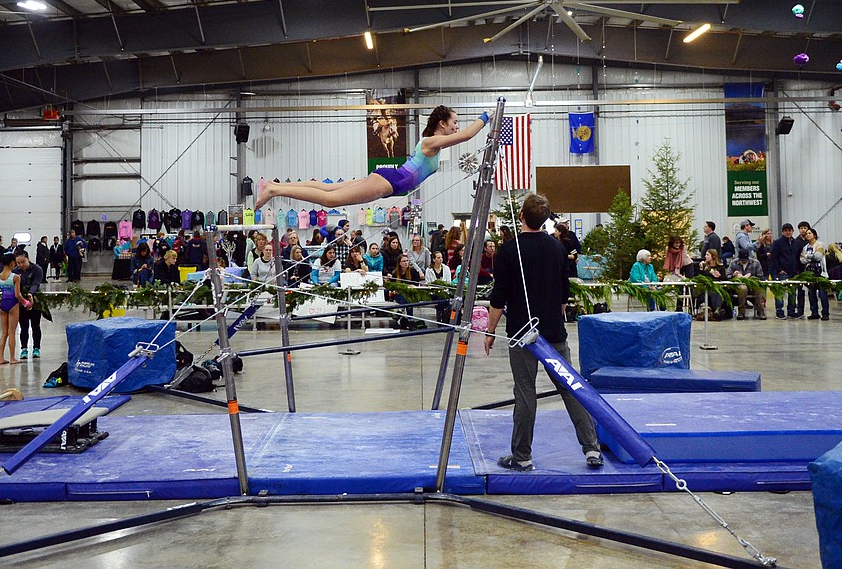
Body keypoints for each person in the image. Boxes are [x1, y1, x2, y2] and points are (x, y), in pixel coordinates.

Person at [484, 193, 602, 471]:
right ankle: (592, 449)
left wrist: (489, 331)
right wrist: (553, 318)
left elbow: (498, 298)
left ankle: (522, 456)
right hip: (553, 332)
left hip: (522, 333)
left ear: (521, 216)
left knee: (526, 393)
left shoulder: (509, 250)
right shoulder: (558, 248)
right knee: (570, 389)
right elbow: (564, 294)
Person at [256, 106, 491, 208]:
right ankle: (275, 190)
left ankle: (275, 185)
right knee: (330, 200)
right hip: (391, 181)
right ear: (442, 124)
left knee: (328, 189)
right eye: (455, 123)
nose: (457, 127)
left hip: (390, 180)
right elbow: (468, 136)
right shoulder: (431, 141)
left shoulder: (431, 143)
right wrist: (487, 116)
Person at [0, 253, 21, 364]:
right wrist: (25, 302)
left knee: (4, 333)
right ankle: (12, 358)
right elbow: (17, 295)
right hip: (13, 304)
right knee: (12, 332)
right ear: (12, 263)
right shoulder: (15, 277)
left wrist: (1, 301)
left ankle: (1, 358)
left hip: (3, 305)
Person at [14, 251, 45, 359]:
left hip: (35, 301)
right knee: (23, 327)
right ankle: (24, 349)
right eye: (18, 263)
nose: (21, 265)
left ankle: (36, 348)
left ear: (28, 258)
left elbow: (36, 284)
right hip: (21, 303)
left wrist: (30, 294)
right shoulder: (15, 272)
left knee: (35, 326)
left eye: (23, 262)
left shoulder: (37, 269)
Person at [770, 223, 802, 319]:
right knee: (780, 293)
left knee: (793, 293)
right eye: (786, 231)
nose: (788, 232)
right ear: (783, 232)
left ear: (792, 231)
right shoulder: (777, 243)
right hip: (782, 272)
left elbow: (798, 257)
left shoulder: (796, 243)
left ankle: (791, 311)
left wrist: (798, 270)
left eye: (790, 230)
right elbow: (774, 257)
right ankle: (779, 311)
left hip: (794, 272)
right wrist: (779, 270)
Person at [800, 228, 830, 321]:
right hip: (810, 273)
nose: (808, 235)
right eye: (807, 234)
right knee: (811, 293)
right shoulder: (805, 247)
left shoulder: (820, 245)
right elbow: (802, 259)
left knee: (822, 293)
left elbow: (818, 256)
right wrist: (809, 258)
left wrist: (808, 256)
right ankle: (814, 312)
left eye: (810, 233)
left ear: (814, 235)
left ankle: (825, 313)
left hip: (820, 272)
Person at [387, 253, 422, 328]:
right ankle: (410, 321)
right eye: (404, 261)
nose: (406, 262)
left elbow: (416, 283)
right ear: (399, 263)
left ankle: (400, 310)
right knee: (405, 297)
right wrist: (395, 290)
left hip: (411, 294)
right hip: (398, 295)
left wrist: (412, 286)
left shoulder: (413, 271)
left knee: (407, 297)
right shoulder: (395, 273)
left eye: (407, 261)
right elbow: (393, 286)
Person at [729, 248, 766, 320]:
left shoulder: (756, 263)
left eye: (745, 259)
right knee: (743, 288)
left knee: (758, 288)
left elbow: (761, 277)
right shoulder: (733, 263)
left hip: (752, 285)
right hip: (739, 285)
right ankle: (741, 312)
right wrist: (734, 275)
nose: (743, 261)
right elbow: (727, 276)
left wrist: (751, 277)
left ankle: (760, 310)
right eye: (742, 259)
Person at [696, 249, 727, 319]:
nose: (705, 256)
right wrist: (701, 269)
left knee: (718, 292)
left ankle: (717, 310)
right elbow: (700, 278)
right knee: (713, 292)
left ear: (713, 256)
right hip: (707, 287)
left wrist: (719, 276)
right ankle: (717, 309)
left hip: (718, 286)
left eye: (707, 255)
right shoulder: (704, 266)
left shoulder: (720, 267)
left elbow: (725, 279)